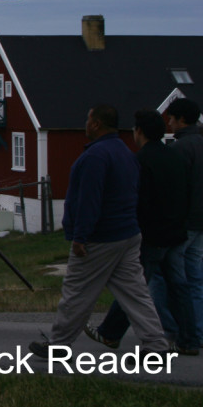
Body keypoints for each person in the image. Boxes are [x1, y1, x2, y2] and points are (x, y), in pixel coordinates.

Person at [28, 105, 169, 358]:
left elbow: (89, 200)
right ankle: (156, 344)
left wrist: (80, 236)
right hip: (128, 233)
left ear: (96, 124)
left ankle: (59, 345)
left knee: (78, 292)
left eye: (88, 119)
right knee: (135, 293)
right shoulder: (126, 153)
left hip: (101, 236)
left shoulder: (95, 157)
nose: (85, 123)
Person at [86, 109, 197, 354]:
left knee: (133, 289)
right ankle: (189, 339)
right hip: (176, 233)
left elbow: (140, 201)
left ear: (139, 132)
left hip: (152, 235)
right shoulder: (175, 156)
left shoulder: (141, 161)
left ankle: (110, 333)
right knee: (179, 286)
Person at [154, 98, 203, 349]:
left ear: (182, 119)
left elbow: (175, 189)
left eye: (171, 119)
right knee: (196, 279)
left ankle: (175, 327)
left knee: (169, 278)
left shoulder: (180, 149)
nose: (169, 124)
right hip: (200, 222)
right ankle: (197, 329)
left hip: (184, 223)